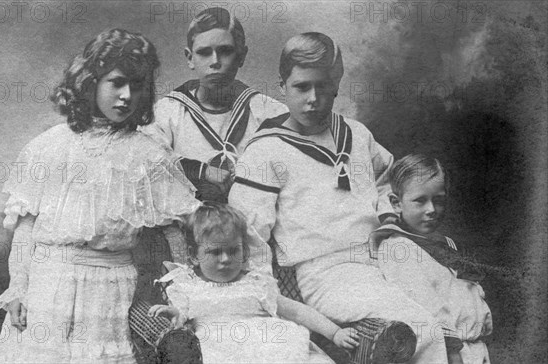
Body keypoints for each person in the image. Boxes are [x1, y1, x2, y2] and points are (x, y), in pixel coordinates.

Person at [228, 32, 450, 363]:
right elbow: (249, 234)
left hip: (382, 256)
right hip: (328, 274)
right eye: (301, 87)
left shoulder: (356, 134)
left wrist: (388, 222)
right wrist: (266, 298)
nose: (313, 98)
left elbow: (390, 181)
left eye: (323, 87)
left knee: (453, 309)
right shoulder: (266, 152)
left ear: (336, 86)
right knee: (424, 330)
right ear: (281, 86)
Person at [0, 29, 200, 364]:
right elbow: (25, 229)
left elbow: (177, 233)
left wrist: (182, 296)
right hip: (47, 283)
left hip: (110, 289)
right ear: (90, 82)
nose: (127, 95)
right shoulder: (50, 146)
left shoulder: (148, 155)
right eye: (116, 82)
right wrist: (18, 289)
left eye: (137, 85)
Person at [140, 7, 287, 267]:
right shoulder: (167, 112)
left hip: (257, 238)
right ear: (189, 57)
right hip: (191, 240)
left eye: (226, 51)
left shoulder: (268, 111)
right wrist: (200, 171)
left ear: (242, 56)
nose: (215, 61)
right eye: (204, 52)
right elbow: (147, 168)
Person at [149, 202, 359, 364]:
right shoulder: (188, 286)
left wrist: (335, 333)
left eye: (233, 251)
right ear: (194, 255)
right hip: (218, 352)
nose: (225, 259)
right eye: (214, 252)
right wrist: (174, 315)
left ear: (245, 251)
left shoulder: (256, 283)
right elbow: (180, 319)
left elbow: (297, 312)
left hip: (270, 347)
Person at [371, 154, 493, 364]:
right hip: (444, 353)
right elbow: (425, 307)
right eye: (420, 201)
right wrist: (452, 351)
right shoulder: (398, 248)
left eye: (438, 200)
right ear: (396, 203)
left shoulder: (442, 244)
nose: (431, 210)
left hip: (473, 349)